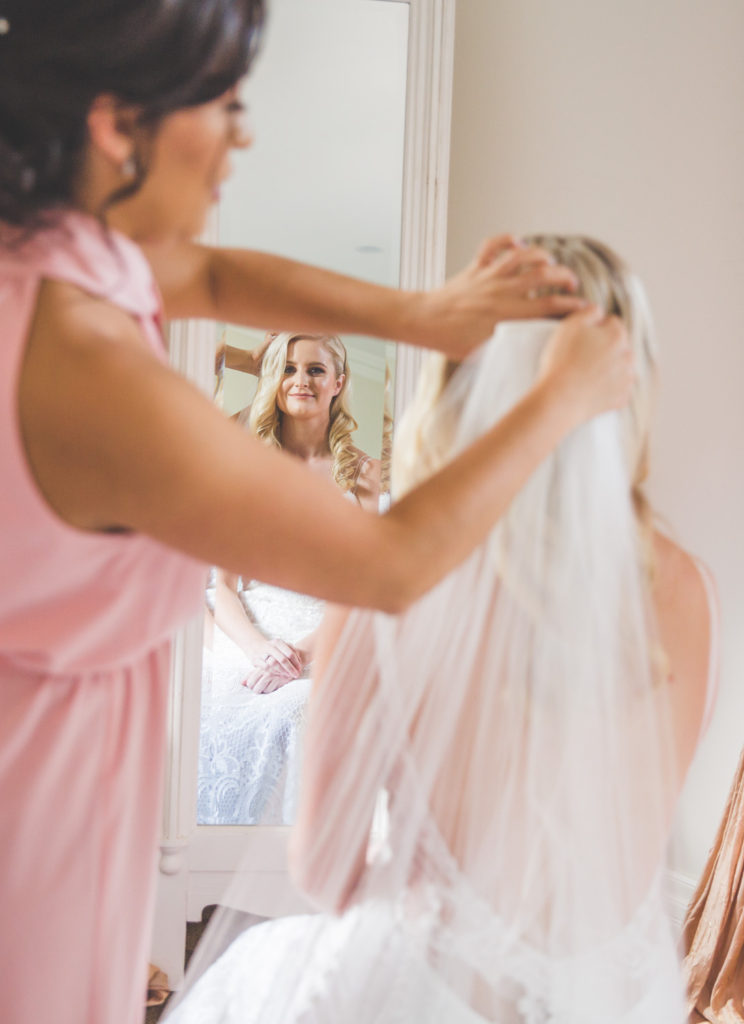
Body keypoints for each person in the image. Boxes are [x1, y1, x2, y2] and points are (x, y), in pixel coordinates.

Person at [0, 1, 633, 1022]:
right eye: (228, 104)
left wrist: (421, 313)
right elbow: (388, 563)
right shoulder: (90, 368)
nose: (244, 137)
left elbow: (210, 273)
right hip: (35, 820)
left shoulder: (58, 252)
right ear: (119, 123)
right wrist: (562, 396)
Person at [165, 237, 717, 1024]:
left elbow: (323, 869)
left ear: (458, 371)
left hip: (420, 989)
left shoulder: (389, 571)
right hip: (606, 997)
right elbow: (626, 855)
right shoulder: (686, 591)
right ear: (628, 375)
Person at [200, 331, 379, 824]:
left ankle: (306, 871)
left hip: (329, 636)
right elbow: (225, 588)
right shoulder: (242, 463)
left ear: (338, 382)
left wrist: (301, 653)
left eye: (316, 370)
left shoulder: (364, 475)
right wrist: (259, 649)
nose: (301, 380)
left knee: (308, 707)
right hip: (249, 636)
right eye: (288, 369)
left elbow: (367, 592)